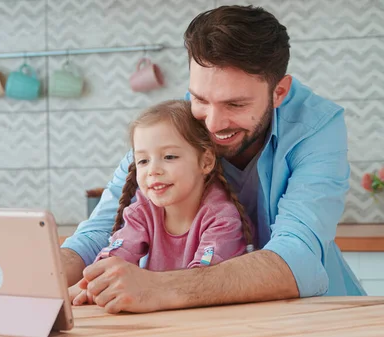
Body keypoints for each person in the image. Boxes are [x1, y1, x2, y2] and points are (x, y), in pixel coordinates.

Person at [60, 5, 366, 315]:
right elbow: (101, 230)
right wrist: (44, 276)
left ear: (279, 92)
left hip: (313, 316)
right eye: (201, 99)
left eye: (235, 104)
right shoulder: (175, 123)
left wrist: (158, 287)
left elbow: (297, 257)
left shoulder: (317, 127)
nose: (213, 124)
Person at [71, 100, 255, 305]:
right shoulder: (143, 211)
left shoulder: (221, 218)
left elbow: (203, 281)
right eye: (143, 160)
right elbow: (117, 256)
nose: (153, 170)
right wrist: (91, 285)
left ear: (206, 161)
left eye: (169, 156)